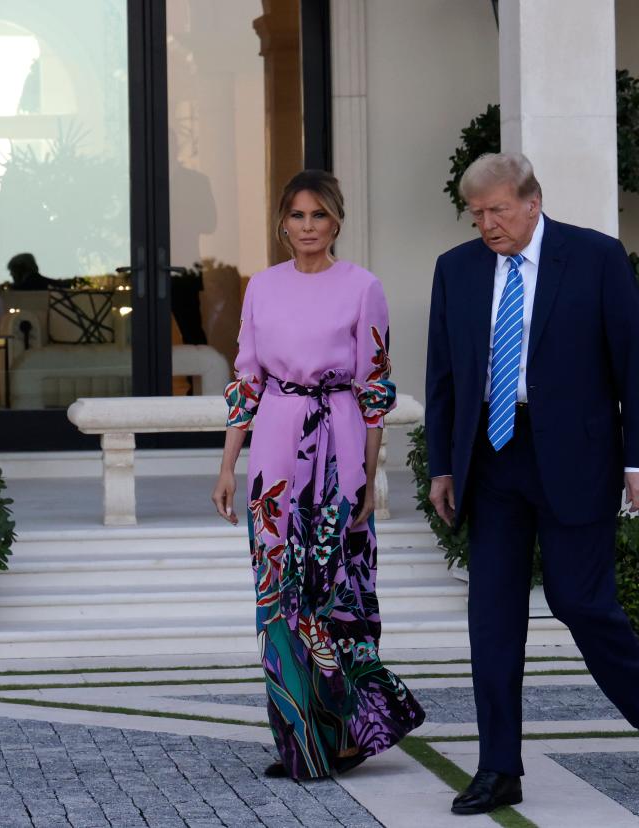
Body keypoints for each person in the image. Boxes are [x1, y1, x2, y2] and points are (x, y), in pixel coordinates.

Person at [424, 152, 639, 815]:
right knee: (493, 619)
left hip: (576, 456)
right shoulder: (456, 270)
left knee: (580, 601)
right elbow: (446, 377)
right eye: (477, 214)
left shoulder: (594, 257)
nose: (487, 225)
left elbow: (633, 364)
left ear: (533, 201)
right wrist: (443, 467)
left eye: (498, 210)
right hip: (493, 458)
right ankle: (497, 768)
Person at [211, 170, 425, 780]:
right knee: (278, 598)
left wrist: (367, 473)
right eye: (298, 216)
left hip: (339, 443)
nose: (308, 227)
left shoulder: (363, 288)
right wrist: (228, 464)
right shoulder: (261, 288)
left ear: (337, 221)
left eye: (320, 216)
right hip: (275, 451)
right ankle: (301, 741)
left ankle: (351, 733)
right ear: (282, 222)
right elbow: (246, 380)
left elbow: (376, 387)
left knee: (338, 594)